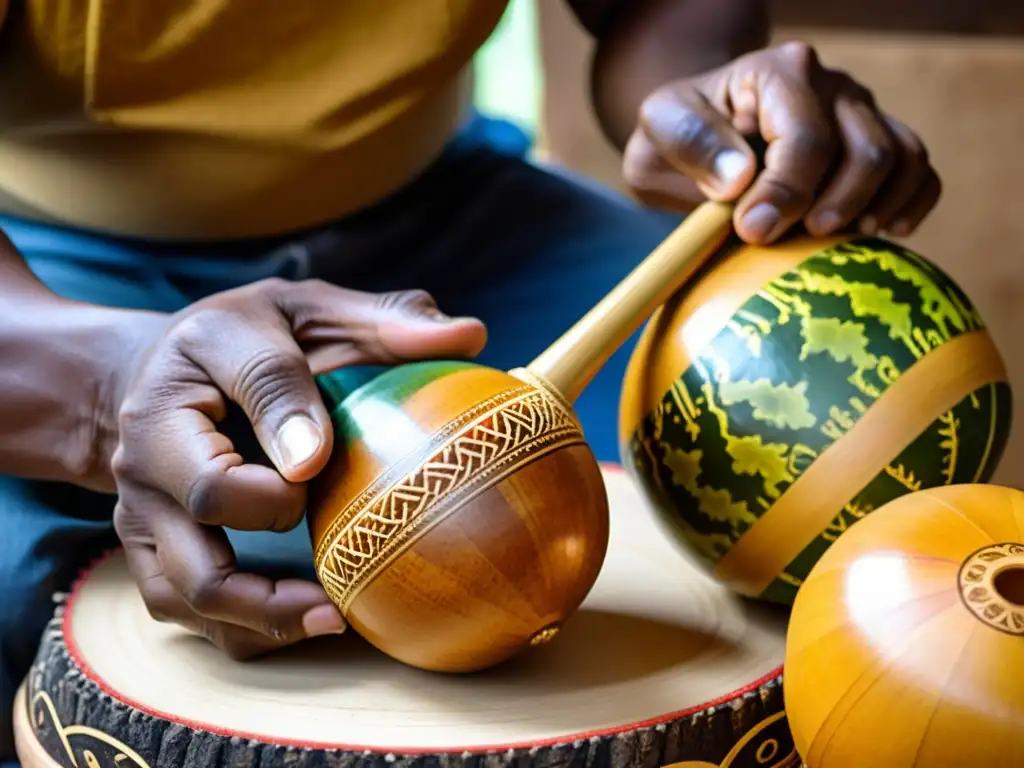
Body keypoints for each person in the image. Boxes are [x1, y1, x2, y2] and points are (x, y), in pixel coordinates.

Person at [0, 0, 941, 761]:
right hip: (52, 283)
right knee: (25, 604)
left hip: (461, 215)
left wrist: (708, 120)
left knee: (819, 460)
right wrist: (101, 391)